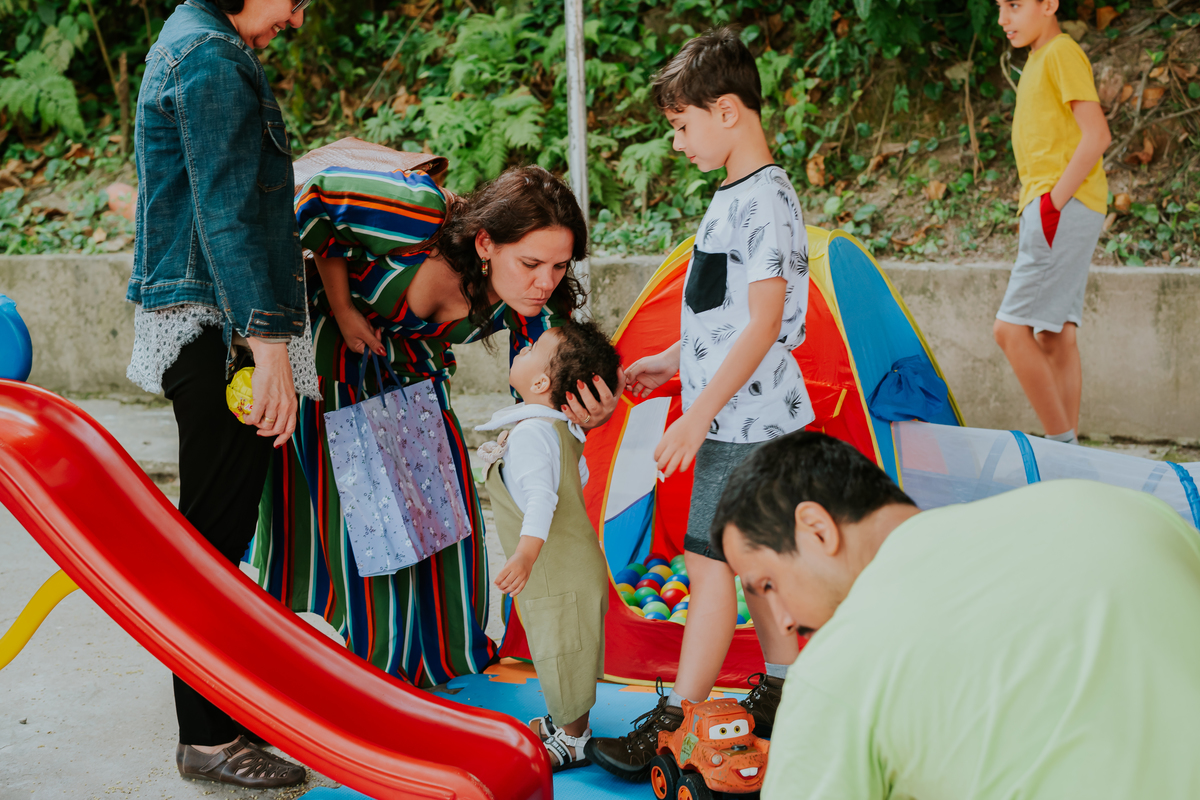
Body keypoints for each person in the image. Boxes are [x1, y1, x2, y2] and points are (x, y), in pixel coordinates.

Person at [253, 164, 624, 689]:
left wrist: (587, 412)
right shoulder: (419, 212)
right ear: (485, 243)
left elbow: (541, 391)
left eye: (560, 266)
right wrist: (342, 306)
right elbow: (318, 202)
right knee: (370, 530)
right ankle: (374, 669)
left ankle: (438, 662)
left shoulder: (536, 303)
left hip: (413, 380)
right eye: (531, 263)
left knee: (443, 521)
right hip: (332, 362)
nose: (546, 282)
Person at [711, 430, 1200, 799]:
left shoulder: (835, 670)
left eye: (767, 585)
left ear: (817, 529)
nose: (783, 620)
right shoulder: (1129, 511)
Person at [587, 26, 813, 779]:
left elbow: (765, 325)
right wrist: (671, 361)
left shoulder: (765, 201)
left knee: (707, 562)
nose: (677, 142)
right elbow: (724, 318)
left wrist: (696, 413)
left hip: (749, 425)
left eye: (682, 126)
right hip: (743, 417)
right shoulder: (734, 197)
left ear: (726, 112)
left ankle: (675, 720)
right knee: (752, 565)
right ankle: (781, 693)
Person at [125, 0, 316, 788]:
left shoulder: (191, 38)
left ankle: (223, 710)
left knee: (219, 537)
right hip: (222, 330)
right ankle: (206, 737)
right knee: (212, 544)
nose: (296, 19)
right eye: (295, 1)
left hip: (214, 322)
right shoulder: (209, 58)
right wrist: (266, 347)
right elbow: (226, 214)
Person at [473, 319, 622, 771]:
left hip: (556, 568)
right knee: (557, 647)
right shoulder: (556, 430)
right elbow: (577, 479)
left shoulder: (535, 432)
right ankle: (565, 721)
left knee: (564, 651)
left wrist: (524, 554)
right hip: (563, 565)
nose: (523, 348)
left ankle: (574, 739)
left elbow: (542, 498)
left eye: (533, 347)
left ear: (540, 383)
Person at [992, 0, 1111, 446]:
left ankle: (1060, 447)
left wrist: (1051, 203)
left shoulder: (1060, 52)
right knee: (1055, 334)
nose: (1003, 19)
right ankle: (1070, 456)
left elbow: (1097, 134)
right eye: (1000, 7)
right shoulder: (1038, 59)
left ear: (1049, 5)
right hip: (1060, 206)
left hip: (1062, 205)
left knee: (1010, 330)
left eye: (1015, 5)